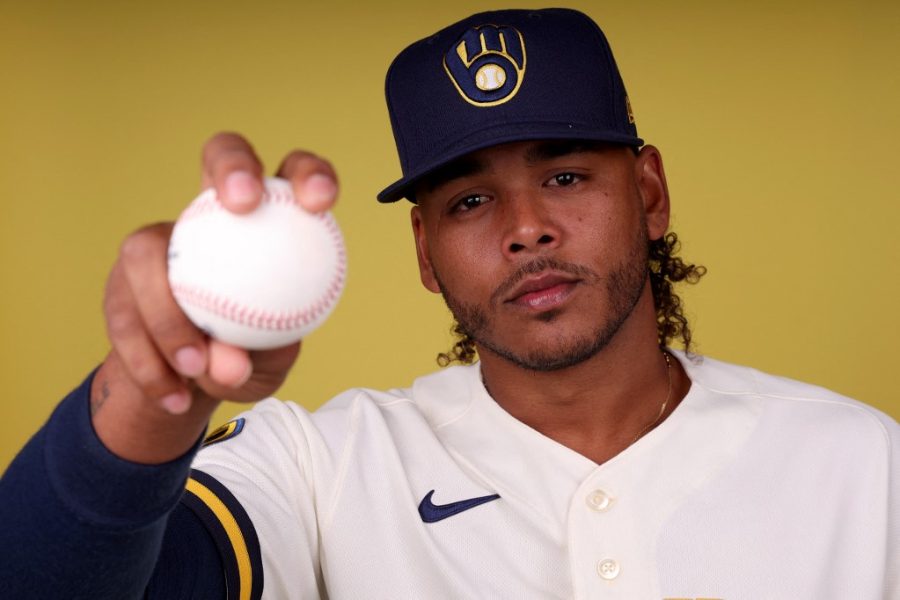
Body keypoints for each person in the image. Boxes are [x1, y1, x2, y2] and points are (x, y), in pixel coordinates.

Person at [1, 8, 896, 600]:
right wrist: (152, 399)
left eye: (567, 174)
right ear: (425, 251)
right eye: (470, 201)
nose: (526, 228)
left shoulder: (865, 466)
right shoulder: (322, 467)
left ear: (651, 194)